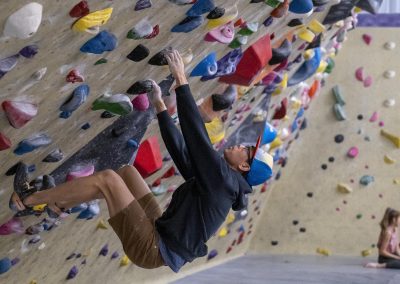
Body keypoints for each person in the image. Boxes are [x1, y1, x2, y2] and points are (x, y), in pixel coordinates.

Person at [9, 50, 273, 272]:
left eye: (247, 150)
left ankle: (28, 200)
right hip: (162, 232)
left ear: (245, 166)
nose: (241, 145)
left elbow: (197, 136)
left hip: (153, 249)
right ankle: (57, 206)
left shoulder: (224, 181)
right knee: (125, 173)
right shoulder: (220, 183)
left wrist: (181, 80)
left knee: (107, 180)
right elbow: (182, 151)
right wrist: (159, 106)